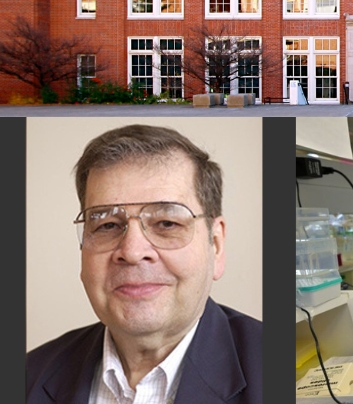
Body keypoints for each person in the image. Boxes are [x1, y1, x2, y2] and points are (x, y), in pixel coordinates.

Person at [26, 124, 263, 404]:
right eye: (107, 225)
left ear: (216, 245)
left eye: (167, 223)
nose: (132, 252)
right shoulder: (28, 376)